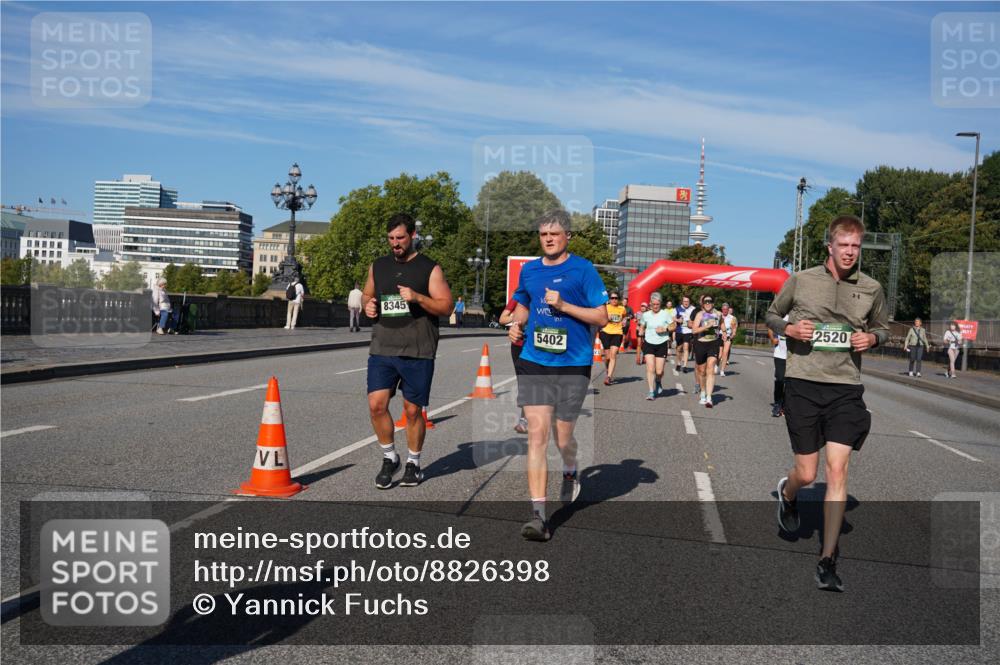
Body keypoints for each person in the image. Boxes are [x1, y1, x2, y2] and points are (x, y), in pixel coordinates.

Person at [767, 214, 889, 592]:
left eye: (856, 246)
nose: (851, 252)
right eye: (844, 245)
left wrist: (873, 340)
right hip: (803, 383)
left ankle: (827, 559)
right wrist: (788, 328)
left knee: (838, 471)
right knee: (808, 474)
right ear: (830, 247)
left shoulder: (871, 288)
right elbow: (771, 314)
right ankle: (788, 495)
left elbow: (883, 327)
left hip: (845, 388)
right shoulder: (802, 280)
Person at [507, 210, 608, 542]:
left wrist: (564, 305)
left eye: (554, 234)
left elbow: (602, 317)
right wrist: (517, 323)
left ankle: (570, 467)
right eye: (543, 234)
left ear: (567, 236)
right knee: (536, 436)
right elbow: (523, 302)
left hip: (572, 363)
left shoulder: (583, 270)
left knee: (562, 439)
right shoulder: (530, 270)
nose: (548, 239)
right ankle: (539, 516)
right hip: (536, 360)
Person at [363, 213, 453, 490]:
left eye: (400, 238)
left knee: (413, 411)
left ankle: (413, 463)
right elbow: (367, 295)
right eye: (391, 239)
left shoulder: (429, 268)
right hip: (383, 346)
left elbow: (446, 307)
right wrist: (368, 305)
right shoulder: (378, 266)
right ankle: (390, 457)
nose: (395, 244)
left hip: (418, 348)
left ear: (412, 235)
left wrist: (418, 297)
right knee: (376, 404)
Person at [499, 295, 528, 434]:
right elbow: (502, 319)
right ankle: (525, 418)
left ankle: (527, 419)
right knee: (523, 381)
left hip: (536, 345)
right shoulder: (519, 296)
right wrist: (516, 318)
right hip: (518, 344)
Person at [639, 293, 674, 400]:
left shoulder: (665, 314)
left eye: (657, 304)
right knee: (650, 368)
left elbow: (673, 325)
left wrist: (665, 329)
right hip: (649, 343)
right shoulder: (646, 315)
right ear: (650, 304)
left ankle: (658, 381)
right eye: (653, 304)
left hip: (662, 343)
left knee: (659, 371)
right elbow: (642, 326)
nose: (655, 306)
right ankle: (651, 391)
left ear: (660, 304)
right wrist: (641, 332)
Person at [691, 296, 721, 407]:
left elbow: (721, 324)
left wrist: (724, 333)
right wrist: (706, 327)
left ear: (713, 303)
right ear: (703, 304)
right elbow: (694, 330)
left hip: (713, 343)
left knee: (711, 368)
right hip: (701, 343)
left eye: (710, 301)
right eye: (706, 302)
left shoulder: (718, 314)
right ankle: (703, 392)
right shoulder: (700, 315)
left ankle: (709, 397)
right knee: (702, 371)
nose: (708, 303)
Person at [600, 291, 626, 385]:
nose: (614, 300)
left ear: (618, 299)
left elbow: (623, 317)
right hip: (606, 332)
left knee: (613, 354)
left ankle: (609, 377)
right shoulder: (605, 307)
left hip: (617, 333)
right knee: (607, 357)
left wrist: (623, 321)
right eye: (612, 298)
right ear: (609, 299)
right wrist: (607, 317)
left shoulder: (622, 308)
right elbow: (600, 318)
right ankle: (608, 370)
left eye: (616, 298)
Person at [767, 315, 789, 418]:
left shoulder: (798, 316)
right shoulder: (780, 316)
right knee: (780, 379)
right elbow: (770, 327)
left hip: (794, 356)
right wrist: (772, 339)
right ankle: (777, 404)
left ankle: (786, 405)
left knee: (791, 382)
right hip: (780, 354)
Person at [674, 295, 695, 376]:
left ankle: (685, 366)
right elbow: (673, 317)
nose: (686, 303)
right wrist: (677, 320)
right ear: (682, 302)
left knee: (686, 347)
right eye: (685, 301)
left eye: (687, 301)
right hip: (679, 331)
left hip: (688, 331)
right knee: (679, 348)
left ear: (689, 302)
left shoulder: (693, 309)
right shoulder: (677, 308)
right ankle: (679, 363)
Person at [719, 303, 738, 376]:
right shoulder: (719, 316)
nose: (725, 311)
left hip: (728, 336)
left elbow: (734, 328)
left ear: (728, 310)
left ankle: (722, 370)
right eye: (723, 309)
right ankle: (716, 365)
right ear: (722, 309)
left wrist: (733, 334)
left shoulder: (732, 318)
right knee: (719, 355)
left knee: (725, 353)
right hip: (719, 335)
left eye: (726, 309)